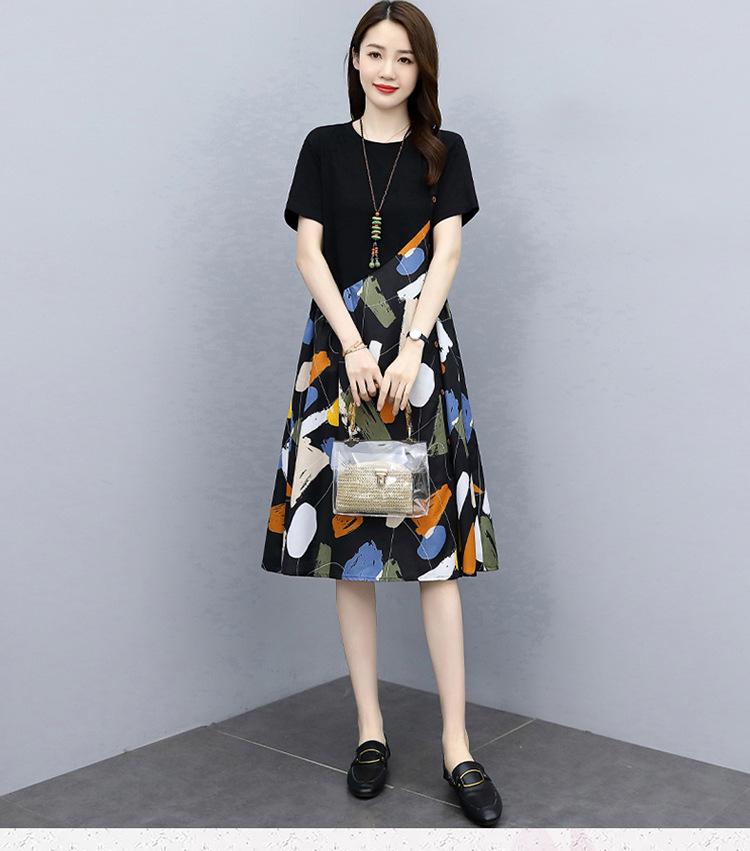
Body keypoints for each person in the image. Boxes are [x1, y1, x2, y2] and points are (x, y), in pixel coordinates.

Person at [261, 0, 503, 827]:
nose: (388, 69)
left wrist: (408, 348)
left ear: (421, 67)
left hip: (419, 366)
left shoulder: (444, 151)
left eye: (403, 56)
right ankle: (370, 731)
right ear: (355, 60)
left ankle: (457, 744)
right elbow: (308, 252)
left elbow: (448, 251)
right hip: (342, 362)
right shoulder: (323, 147)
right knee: (355, 551)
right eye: (374, 52)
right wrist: (354, 347)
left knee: (435, 559)